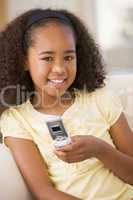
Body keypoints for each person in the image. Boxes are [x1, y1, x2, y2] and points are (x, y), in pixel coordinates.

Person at [0, 8, 133, 200]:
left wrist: (100, 149)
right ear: (24, 61)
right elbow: (43, 192)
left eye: (69, 57)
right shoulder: (16, 120)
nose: (60, 69)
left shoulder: (99, 98)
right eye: (47, 58)